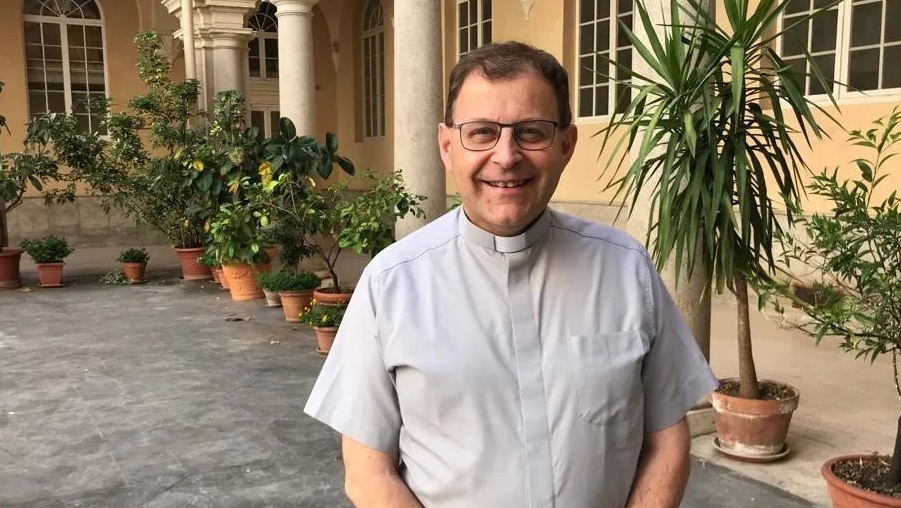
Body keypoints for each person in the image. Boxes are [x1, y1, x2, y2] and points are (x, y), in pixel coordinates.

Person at [304, 40, 718, 508]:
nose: (506, 156)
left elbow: (667, 440)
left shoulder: (626, 270)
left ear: (566, 144)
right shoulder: (391, 284)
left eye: (531, 132)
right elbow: (366, 471)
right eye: (481, 132)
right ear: (446, 146)